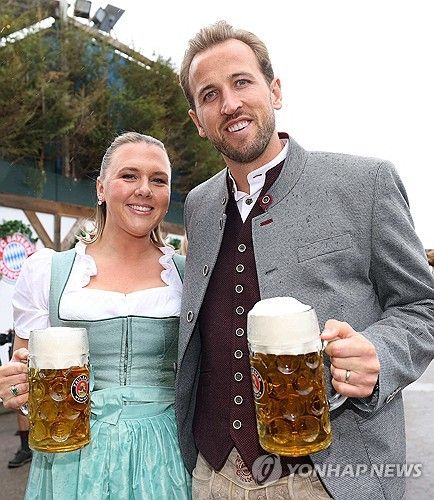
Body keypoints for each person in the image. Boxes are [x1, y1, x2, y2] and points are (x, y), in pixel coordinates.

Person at [175, 20, 434, 500]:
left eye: (241, 82)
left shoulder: (365, 184)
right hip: (214, 475)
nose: (229, 104)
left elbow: (423, 307)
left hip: (329, 479)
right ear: (197, 120)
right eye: (210, 95)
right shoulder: (199, 204)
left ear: (274, 91)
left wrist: (380, 353)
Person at [0, 132, 191, 499]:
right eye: (129, 175)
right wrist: (12, 386)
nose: (145, 189)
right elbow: (20, 376)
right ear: (101, 188)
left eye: (158, 180)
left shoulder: (189, 275)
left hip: (164, 458)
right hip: (71, 457)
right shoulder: (48, 272)